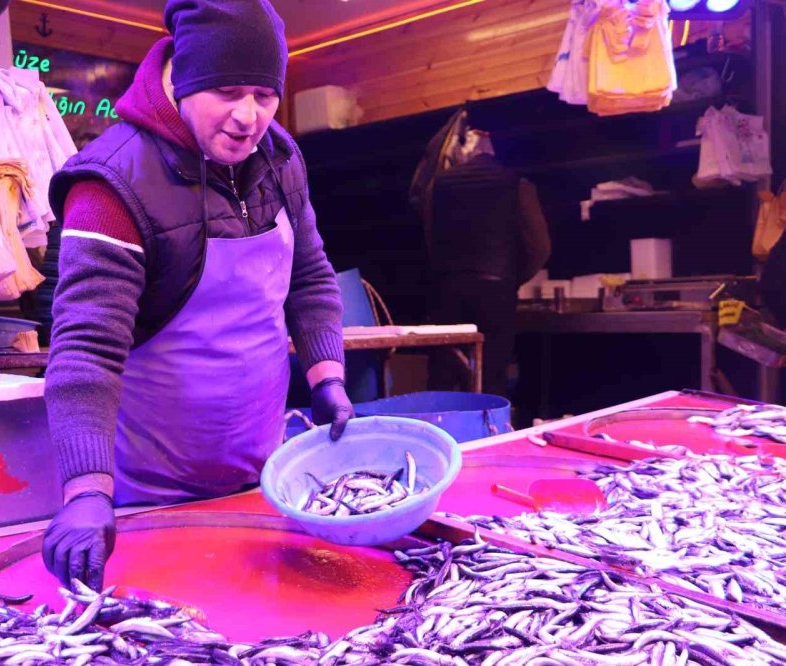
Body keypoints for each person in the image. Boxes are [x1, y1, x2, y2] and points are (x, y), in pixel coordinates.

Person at [40, 0, 354, 592]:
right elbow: (85, 350)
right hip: (145, 497)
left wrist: (326, 377)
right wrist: (86, 491)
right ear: (184, 80)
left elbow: (310, 276)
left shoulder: (281, 159)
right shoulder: (111, 184)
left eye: (265, 95)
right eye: (228, 92)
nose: (249, 116)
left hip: (263, 476)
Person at [411, 116, 551, 397]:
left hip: (447, 290)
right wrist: (512, 278)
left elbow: (430, 235)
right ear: (493, 153)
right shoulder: (515, 183)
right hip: (496, 290)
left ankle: (441, 422)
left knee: (443, 373)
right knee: (491, 374)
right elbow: (540, 246)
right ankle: (487, 422)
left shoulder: (438, 185)